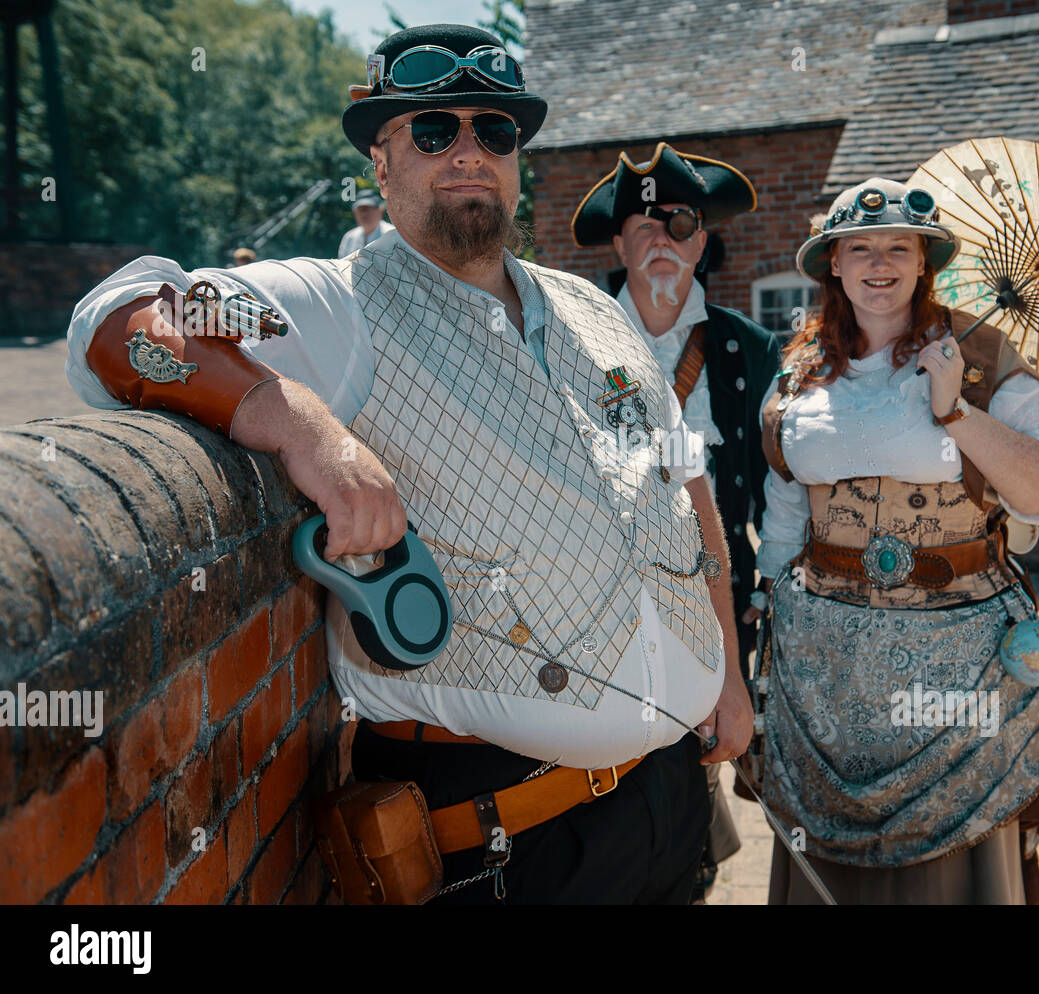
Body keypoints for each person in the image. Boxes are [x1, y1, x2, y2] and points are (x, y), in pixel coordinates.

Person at [63, 23, 752, 905]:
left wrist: (727, 668)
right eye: (435, 131)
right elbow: (113, 327)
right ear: (382, 165)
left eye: (495, 132)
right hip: (508, 838)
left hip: (668, 797)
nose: (470, 152)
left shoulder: (596, 307)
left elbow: (684, 486)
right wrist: (305, 427)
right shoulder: (335, 304)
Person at [751, 177, 1039, 904]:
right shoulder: (799, 374)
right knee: (830, 853)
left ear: (923, 262)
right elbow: (785, 503)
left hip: (958, 661)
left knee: (948, 870)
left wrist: (955, 411)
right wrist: (767, 601)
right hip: (826, 666)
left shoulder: (980, 357)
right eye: (860, 249)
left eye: (898, 249)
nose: (879, 263)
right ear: (833, 265)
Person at [571, 142, 782, 900]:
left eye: (680, 221)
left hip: (715, 605)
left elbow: (771, 497)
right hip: (594, 604)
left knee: (692, 780)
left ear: (702, 239)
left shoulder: (748, 351)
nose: (662, 238)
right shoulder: (565, 332)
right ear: (619, 242)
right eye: (643, 225)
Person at [337, 190, 395, 257]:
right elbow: (342, 265)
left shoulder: (393, 235)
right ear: (355, 212)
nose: (364, 214)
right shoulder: (349, 237)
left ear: (381, 210)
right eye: (361, 210)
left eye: (368, 209)